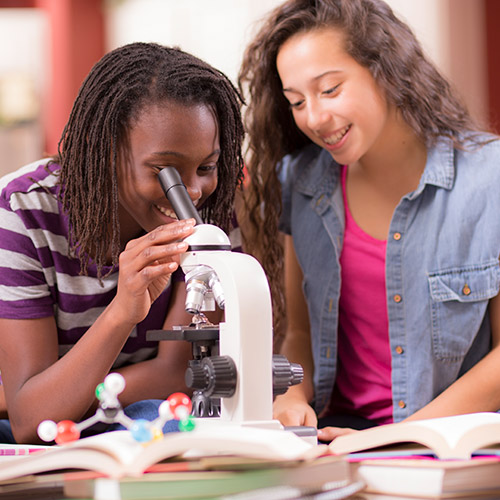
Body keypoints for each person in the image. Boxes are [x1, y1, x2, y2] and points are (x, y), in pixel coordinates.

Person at [238, 0, 500, 442]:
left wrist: (396, 438)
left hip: (451, 440)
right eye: (297, 101)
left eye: (331, 89)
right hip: (337, 436)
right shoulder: (300, 181)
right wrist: (292, 395)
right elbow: (299, 331)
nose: (314, 119)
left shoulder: (489, 179)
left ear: (385, 71)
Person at [0, 42, 245, 444]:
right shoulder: (21, 213)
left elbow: (178, 373)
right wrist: (122, 311)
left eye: (206, 167)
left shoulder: (211, 211)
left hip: (135, 415)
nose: (193, 192)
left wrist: (70, 393)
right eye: (165, 171)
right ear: (107, 152)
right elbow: (32, 420)